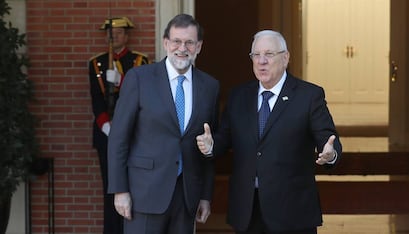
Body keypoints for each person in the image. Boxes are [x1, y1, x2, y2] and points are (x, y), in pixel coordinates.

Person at [196, 30, 342, 234]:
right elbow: (224, 138)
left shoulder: (309, 96)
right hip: (248, 210)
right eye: (256, 55)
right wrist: (210, 145)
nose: (261, 61)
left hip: (292, 212)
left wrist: (330, 154)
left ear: (285, 58)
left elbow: (328, 140)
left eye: (269, 54)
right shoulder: (239, 96)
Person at [107, 14, 220, 234]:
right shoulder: (139, 78)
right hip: (145, 193)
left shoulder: (210, 86)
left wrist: (206, 195)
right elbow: (119, 138)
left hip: (187, 195)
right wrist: (120, 190)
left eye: (189, 42)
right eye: (176, 41)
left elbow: (208, 146)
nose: (182, 48)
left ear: (199, 46)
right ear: (166, 43)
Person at [88, 17, 149, 234]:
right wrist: (107, 126)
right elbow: (96, 99)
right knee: (110, 187)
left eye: (119, 33)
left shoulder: (140, 61)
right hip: (107, 133)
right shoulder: (96, 63)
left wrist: (121, 81)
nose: (113, 37)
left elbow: (143, 95)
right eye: (110, 33)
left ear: (127, 35)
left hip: (133, 133)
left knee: (133, 185)